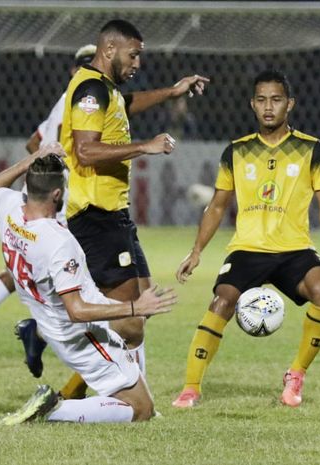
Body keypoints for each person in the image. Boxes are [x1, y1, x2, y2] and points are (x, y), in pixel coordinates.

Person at [171, 69, 320, 409]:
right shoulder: (236, 151)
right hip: (247, 249)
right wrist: (196, 251)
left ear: (289, 104)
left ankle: (296, 375)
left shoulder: (312, 149)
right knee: (221, 302)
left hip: (294, 249)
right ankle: (191, 387)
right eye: (262, 100)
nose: (269, 107)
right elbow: (217, 205)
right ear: (252, 104)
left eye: (276, 100)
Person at [58, 18, 209, 399]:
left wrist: (174, 92)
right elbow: (85, 151)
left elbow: (128, 103)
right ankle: (110, 393)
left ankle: (107, 392)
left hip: (115, 215)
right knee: (131, 322)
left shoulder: (106, 89)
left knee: (143, 304)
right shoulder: (90, 89)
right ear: (109, 50)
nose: (138, 63)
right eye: (134, 54)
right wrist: (144, 146)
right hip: (96, 216)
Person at [0, 147, 177, 424]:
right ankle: (52, 409)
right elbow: (77, 310)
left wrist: (31, 160)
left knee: (134, 327)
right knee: (139, 411)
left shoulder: (9, 207)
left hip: (48, 315)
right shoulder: (59, 242)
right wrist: (136, 305)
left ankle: (36, 334)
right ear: (57, 194)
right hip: (76, 333)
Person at [0, 45, 96, 368]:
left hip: (37, 194)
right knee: (75, 280)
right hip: (55, 203)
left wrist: (44, 163)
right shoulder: (83, 104)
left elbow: (35, 141)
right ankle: (37, 335)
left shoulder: (64, 101)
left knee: (21, 272)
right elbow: (78, 150)